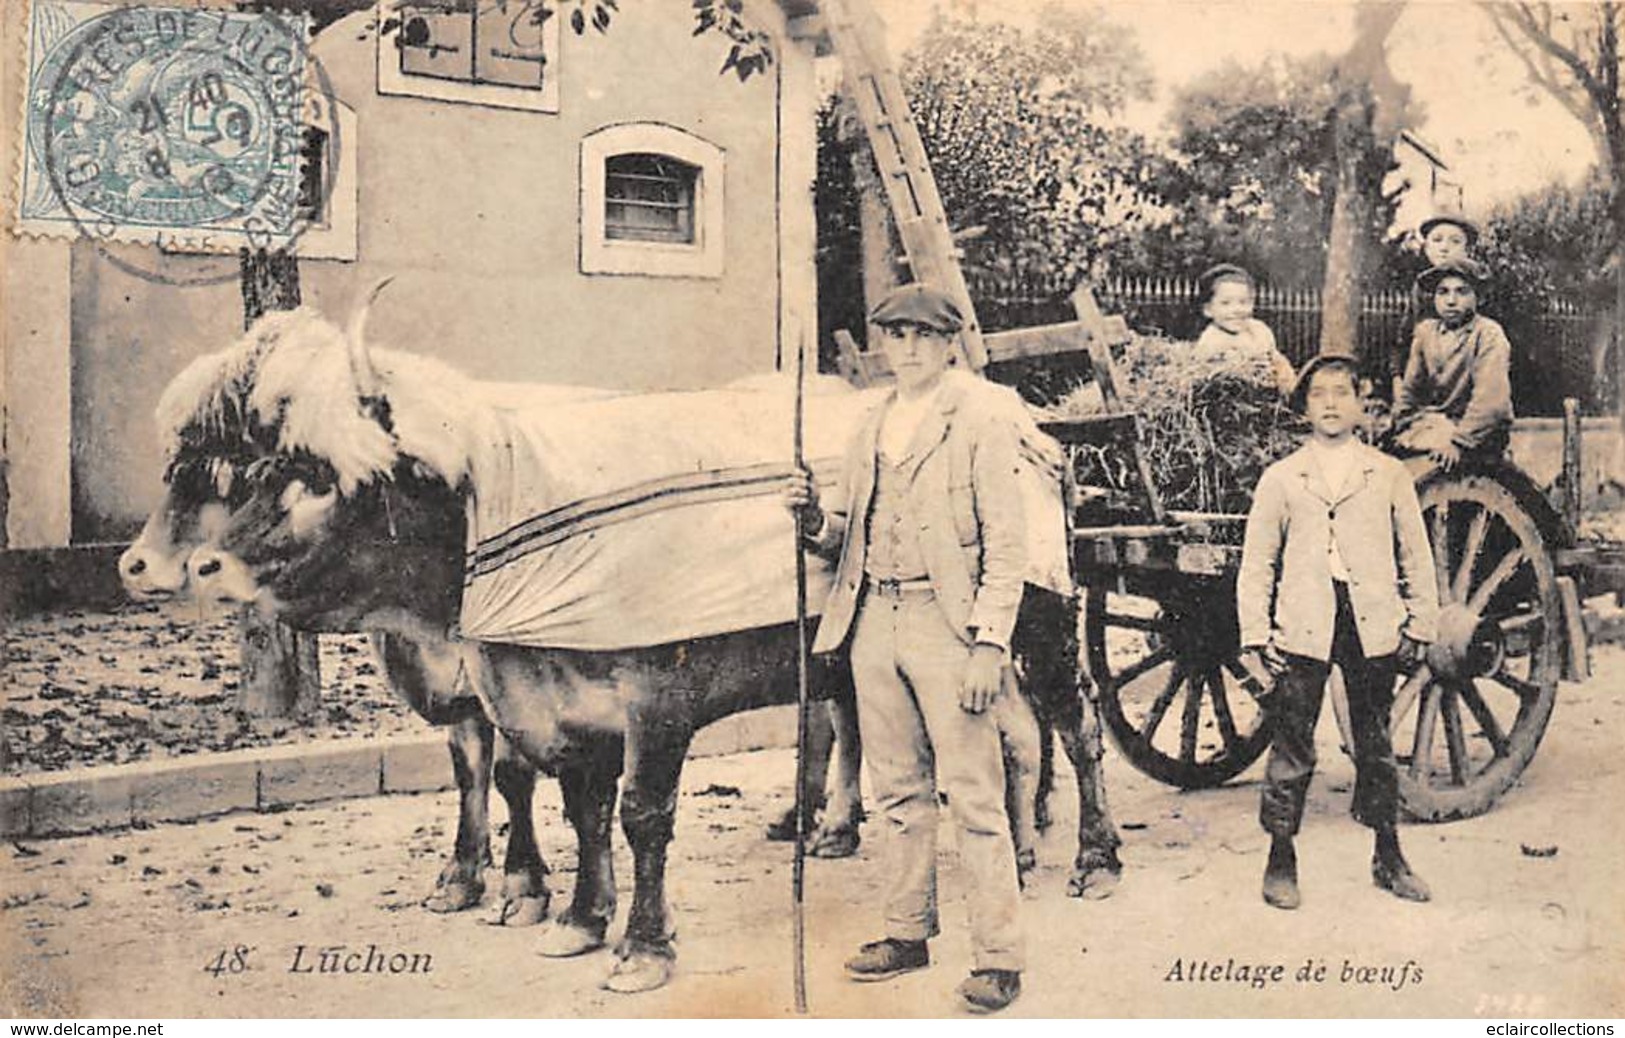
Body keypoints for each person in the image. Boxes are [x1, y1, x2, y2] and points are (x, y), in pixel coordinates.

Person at [785, 283, 1028, 1013]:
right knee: (896, 793)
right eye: (897, 336)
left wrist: (989, 643)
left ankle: (998, 958)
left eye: (924, 336)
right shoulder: (869, 425)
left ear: (949, 343)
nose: (910, 349)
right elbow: (844, 532)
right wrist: (808, 520)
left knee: (975, 799)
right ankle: (905, 931)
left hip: (945, 625)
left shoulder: (978, 419)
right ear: (882, 346)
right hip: (872, 622)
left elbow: (1007, 545)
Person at [1237, 352, 1440, 911]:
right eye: (1319, 395)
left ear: (1362, 405)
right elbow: (1258, 563)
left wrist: (1421, 619)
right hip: (1303, 624)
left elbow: (1415, 554)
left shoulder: (1387, 474)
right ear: (1305, 407)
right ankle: (1281, 857)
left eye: (1341, 394)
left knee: (1374, 741)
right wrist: (1256, 635)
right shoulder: (1282, 479)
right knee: (1293, 740)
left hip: (1370, 621)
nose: (1330, 404)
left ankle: (1388, 854)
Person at [1392, 258, 1514, 468]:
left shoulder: (1488, 334)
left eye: (1462, 292)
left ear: (1478, 297)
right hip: (1437, 423)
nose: (1451, 300)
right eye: (1443, 292)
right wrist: (1399, 424)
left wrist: (1459, 443)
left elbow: (1491, 402)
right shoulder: (1425, 332)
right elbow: (1410, 390)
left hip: (1479, 432)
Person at [1194, 263, 1298, 395]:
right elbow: (1209, 378)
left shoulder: (1258, 330)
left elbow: (1276, 358)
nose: (1237, 310)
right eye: (1226, 303)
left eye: (1244, 302)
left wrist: (1286, 379)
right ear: (1208, 310)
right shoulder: (1211, 340)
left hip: (1268, 394)